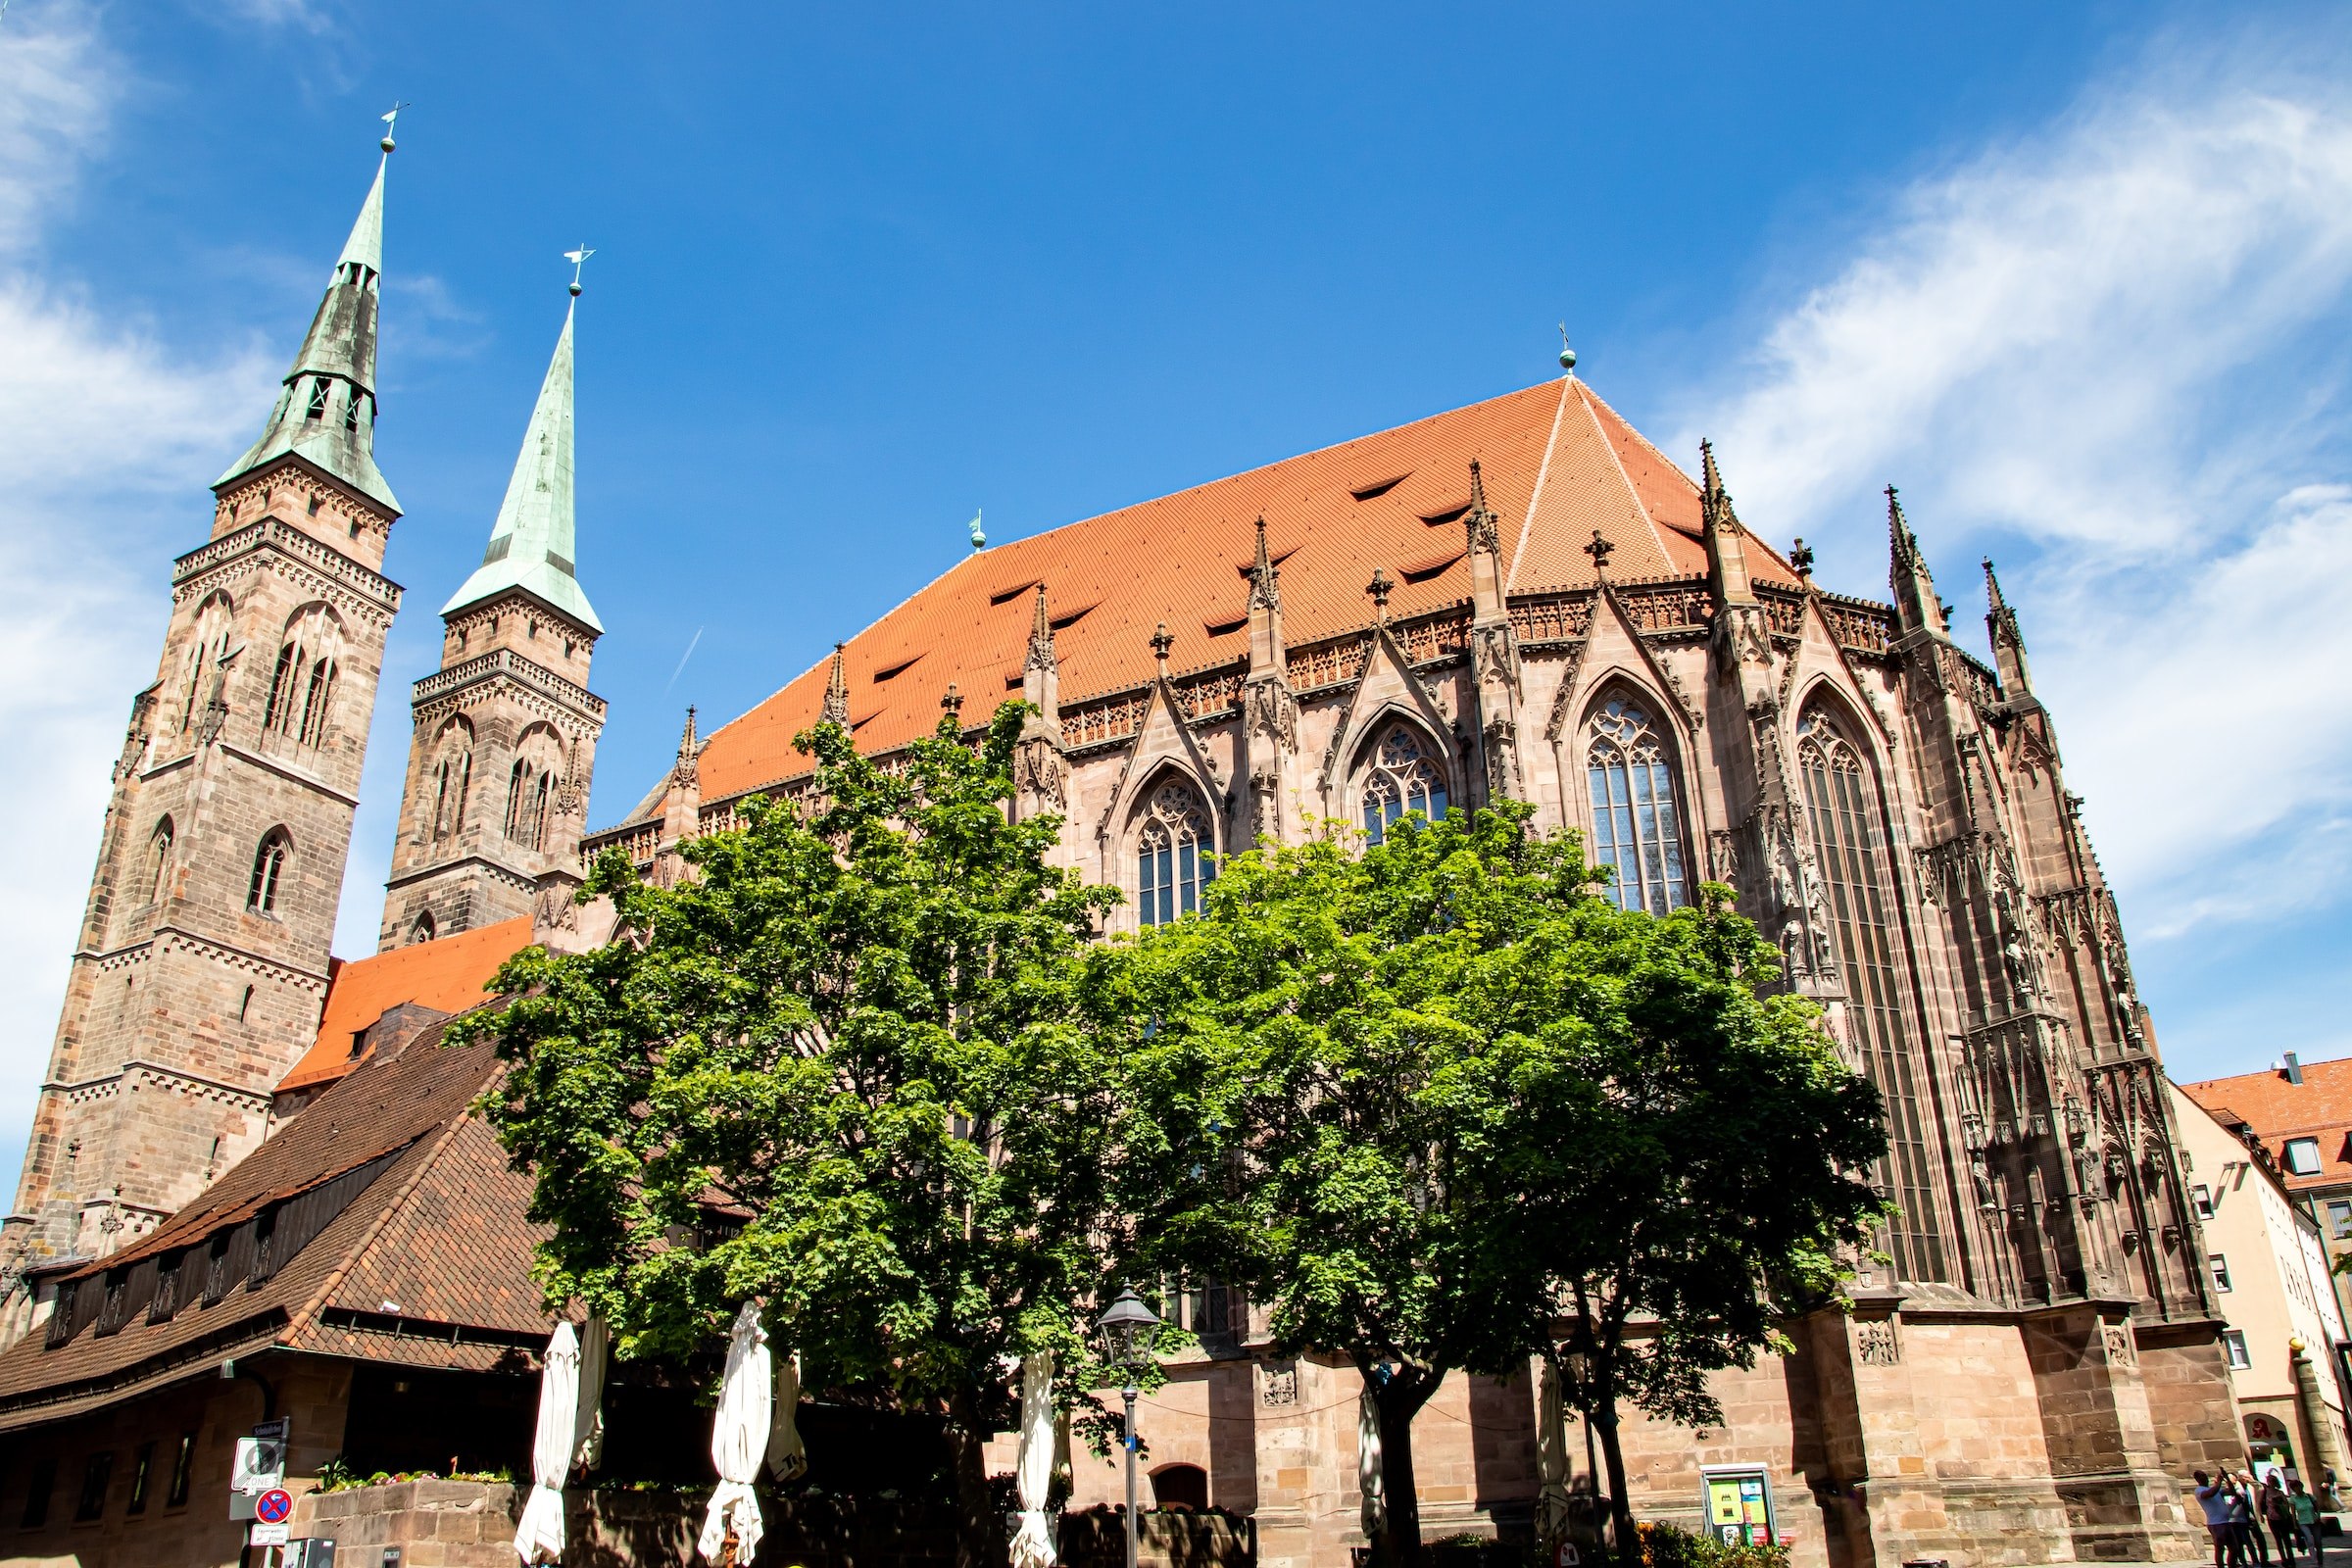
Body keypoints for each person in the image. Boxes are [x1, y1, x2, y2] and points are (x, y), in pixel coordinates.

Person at [2202, 1472, 2247, 1568]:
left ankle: (2234, 1565)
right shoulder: (2201, 1490)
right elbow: (2211, 1493)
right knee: (2220, 1549)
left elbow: (2233, 1492)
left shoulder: (2220, 1490)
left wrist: (2226, 1479)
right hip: (2216, 1523)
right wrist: (2219, 1482)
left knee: (2235, 1548)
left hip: (2227, 1522)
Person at [2231, 1473, 2272, 1566]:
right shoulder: (2237, 1488)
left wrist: (2252, 1480)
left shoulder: (2250, 1486)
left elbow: (2261, 1488)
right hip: (2240, 1517)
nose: (2247, 1479)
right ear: (2240, 1478)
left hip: (2252, 1516)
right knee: (2244, 1541)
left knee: (2260, 1538)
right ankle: (2248, 1561)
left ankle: (2264, 1560)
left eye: (2248, 1477)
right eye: (2245, 1477)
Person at [2262, 1476, 2297, 1568]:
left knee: (2286, 1539)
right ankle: (2283, 1559)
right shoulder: (2265, 1492)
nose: (2270, 1483)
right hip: (2272, 1518)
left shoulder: (2280, 1492)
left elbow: (2286, 1504)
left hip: (2282, 1517)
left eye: (2272, 1481)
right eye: (2269, 1481)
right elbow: (2260, 1503)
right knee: (2278, 1539)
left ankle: (2291, 1558)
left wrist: (2279, 1503)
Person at [2289, 1479, 2321, 1568]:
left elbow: (2317, 1508)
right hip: (2303, 1522)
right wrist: (2295, 1524)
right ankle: (2314, 1559)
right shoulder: (2293, 1499)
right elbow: (2293, 1512)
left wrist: (2317, 1516)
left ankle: (2319, 1557)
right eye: (2295, 1488)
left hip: (2313, 1520)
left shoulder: (2310, 1496)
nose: (2297, 1489)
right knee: (2310, 1540)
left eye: (2298, 1487)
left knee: (2318, 1541)